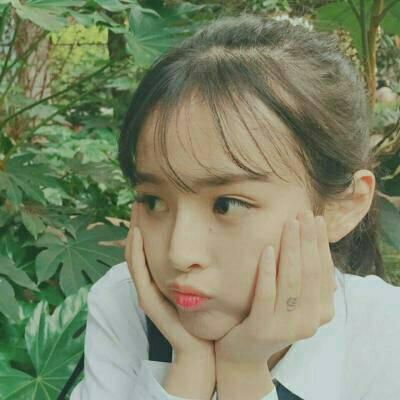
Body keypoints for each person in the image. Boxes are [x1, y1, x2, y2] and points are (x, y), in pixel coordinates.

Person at [70, 14, 400, 400]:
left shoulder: (385, 340)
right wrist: (188, 366)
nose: (179, 254)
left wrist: (243, 370)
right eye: (154, 201)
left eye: (226, 205)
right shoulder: (125, 305)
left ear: (344, 205)